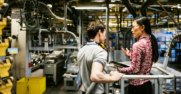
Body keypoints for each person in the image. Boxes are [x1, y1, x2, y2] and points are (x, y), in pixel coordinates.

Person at [77, 22, 123, 94]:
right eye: (104, 34)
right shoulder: (99, 51)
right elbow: (95, 76)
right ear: (99, 32)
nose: (105, 37)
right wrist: (114, 78)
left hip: (85, 91)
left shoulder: (81, 50)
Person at [117, 17, 159, 94]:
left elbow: (135, 69)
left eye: (133, 27)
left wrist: (119, 69)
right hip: (146, 85)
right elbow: (144, 60)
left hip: (137, 87)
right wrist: (130, 55)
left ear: (142, 27)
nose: (131, 30)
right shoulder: (150, 41)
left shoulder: (138, 45)